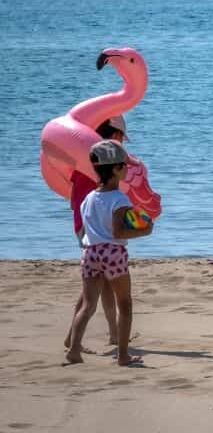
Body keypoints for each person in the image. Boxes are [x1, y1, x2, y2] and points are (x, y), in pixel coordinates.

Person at [66, 140, 152, 366]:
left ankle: (74, 350)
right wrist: (145, 230)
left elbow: (85, 229)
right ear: (115, 169)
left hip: (90, 252)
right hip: (113, 253)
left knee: (88, 304)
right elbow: (117, 231)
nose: (127, 168)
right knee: (125, 304)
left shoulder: (89, 199)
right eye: (124, 165)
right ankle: (123, 356)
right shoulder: (119, 199)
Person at [64, 115, 129, 352]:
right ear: (114, 136)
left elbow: (73, 201)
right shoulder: (116, 192)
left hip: (88, 236)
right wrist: (145, 228)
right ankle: (115, 343)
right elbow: (120, 228)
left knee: (91, 296)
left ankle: (78, 342)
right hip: (104, 240)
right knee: (116, 296)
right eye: (122, 136)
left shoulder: (86, 162)